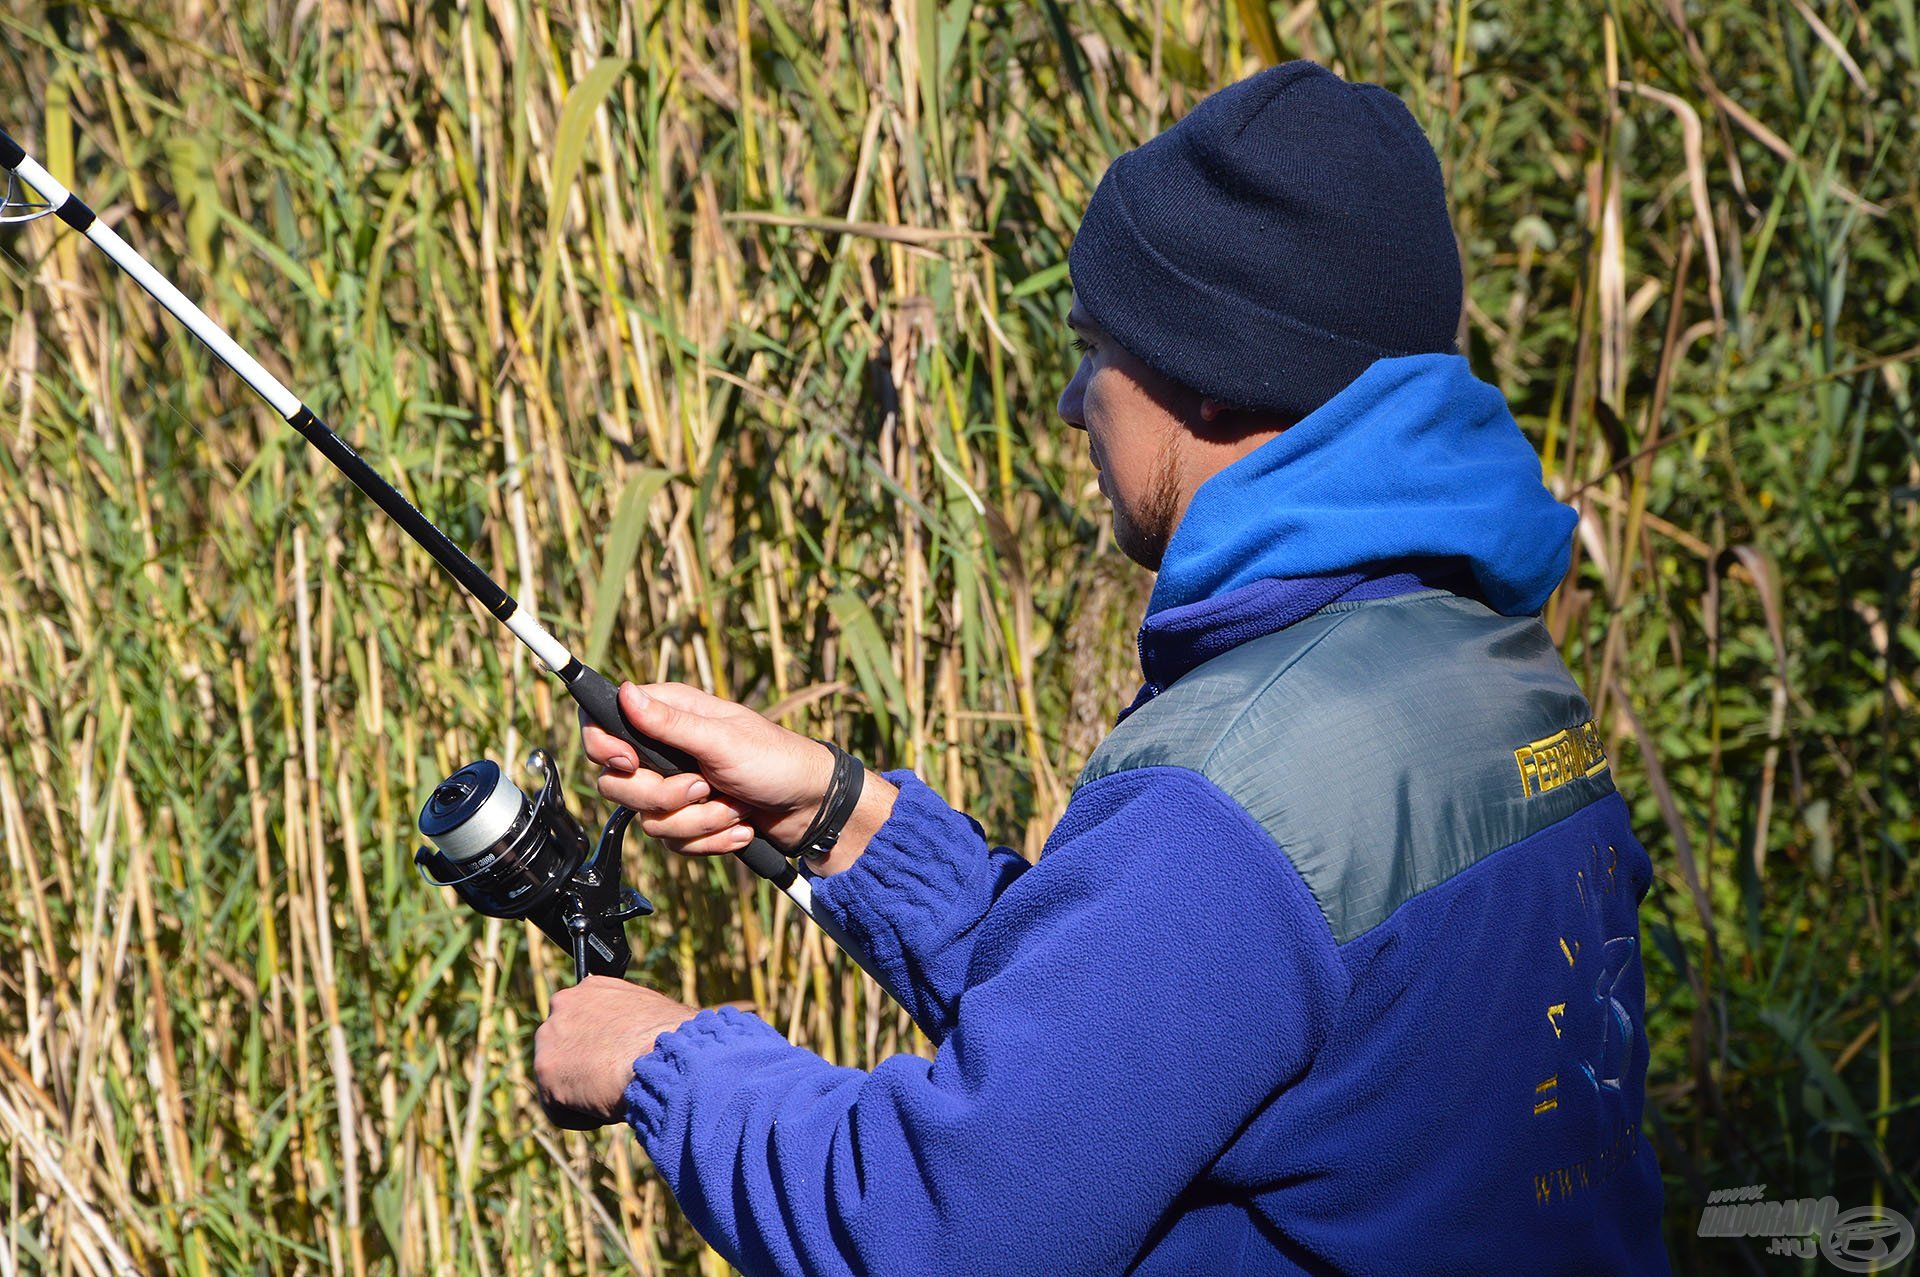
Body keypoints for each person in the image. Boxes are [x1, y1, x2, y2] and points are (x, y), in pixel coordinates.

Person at [534, 60, 1669, 1275]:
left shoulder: (1231, 795)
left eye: (1100, 349)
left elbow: (932, 1232)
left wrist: (666, 1060)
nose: (1078, 402)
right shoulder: (1483, 659)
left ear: (1217, 367)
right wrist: (845, 818)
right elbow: (1164, 1034)